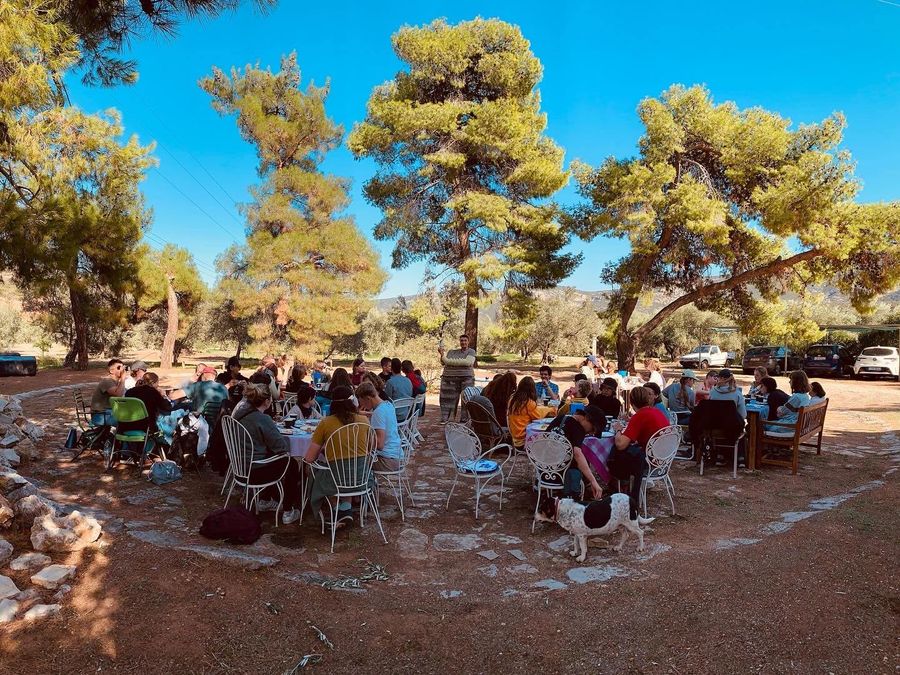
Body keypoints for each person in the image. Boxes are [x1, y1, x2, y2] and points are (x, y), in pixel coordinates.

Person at [232, 384, 302, 524]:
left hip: (239, 467)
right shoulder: (262, 419)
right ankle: (288, 510)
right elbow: (281, 447)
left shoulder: (239, 414)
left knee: (271, 456)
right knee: (291, 463)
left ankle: (265, 499)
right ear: (267, 401)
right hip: (256, 471)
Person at [305, 385, 372, 528]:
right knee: (347, 466)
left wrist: (326, 451)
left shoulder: (326, 423)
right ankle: (346, 508)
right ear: (353, 402)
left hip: (336, 480)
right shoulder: (364, 421)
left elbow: (310, 458)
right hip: (362, 477)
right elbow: (367, 449)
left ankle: (336, 509)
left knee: (324, 469)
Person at [610, 386, 669, 509]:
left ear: (631, 402)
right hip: (664, 458)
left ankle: (619, 487)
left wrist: (618, 430)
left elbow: (621, 444)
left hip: (649, 462)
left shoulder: (640, 416)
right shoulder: (656, 411)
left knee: (616, 452)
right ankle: (622, 486)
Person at [552, 405, 606, 499]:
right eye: (592, 429)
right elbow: (577, 454)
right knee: (578, 466)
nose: (591, 433)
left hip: (544, 469)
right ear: (586, 418)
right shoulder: (578, 428)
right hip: (561, 473)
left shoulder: (560, 418)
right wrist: (594, 481)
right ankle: (572, 497)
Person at [356, 381, 403, 471]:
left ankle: (366, 484)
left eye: (361, 402)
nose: (362, 405)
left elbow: (379, 444)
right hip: (397, 455)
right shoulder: (388, 405)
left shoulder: (378, 412)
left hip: (387, 460)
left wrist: (360, 442)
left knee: (354, 462)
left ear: (368, 398)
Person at [438, 334, 477, 423]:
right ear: (459, 342)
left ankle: (464, 419)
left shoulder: (471, 351)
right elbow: (443, 363)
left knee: (466, 398)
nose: (463, 342)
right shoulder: (452, 352)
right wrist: (442, 355)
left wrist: (447, 360)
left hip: (467, 378)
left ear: (468, 342)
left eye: (465, 340)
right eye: (461, 340)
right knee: (447, 399)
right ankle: (445, 418)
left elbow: (467, 362)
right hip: (449, 378)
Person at [119, 372, 172, 436]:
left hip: (126, 425)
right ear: (153, 383)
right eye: (157, 383)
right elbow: (167, 408)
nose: (158, 386)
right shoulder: (153, 392)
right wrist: (164, 396)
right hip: (145, 426)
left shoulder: (129, 391)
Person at [507, 377, 548, 450]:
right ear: (532, 388)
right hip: (524, 441)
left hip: (514, 438)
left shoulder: (512, 398)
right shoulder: (529, 402)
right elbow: (538, 419)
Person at [90, 358, 129, 426]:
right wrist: (123, 379)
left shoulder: (116, 382)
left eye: (122, 367)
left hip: (107, 413)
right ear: (111, 371)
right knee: (130, 421)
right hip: (101, 415)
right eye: (119, 367)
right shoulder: (107, 381)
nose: (122, 370)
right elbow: (118, 395)